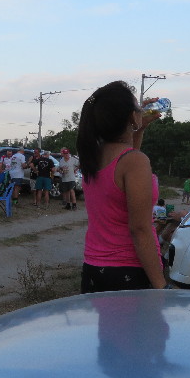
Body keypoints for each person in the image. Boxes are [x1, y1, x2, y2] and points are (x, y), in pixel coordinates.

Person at [77, 81, 167, 293]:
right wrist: (161, 286)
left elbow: (125, 159)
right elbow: (139, 229)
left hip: (94, 268)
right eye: (137, 107)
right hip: (127, 270)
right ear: (132, 116)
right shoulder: (134, 161)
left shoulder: (94, 155)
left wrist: (139, 127)